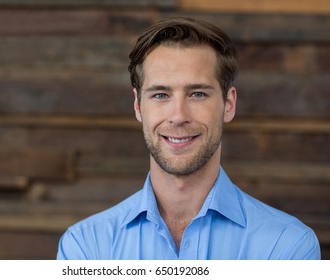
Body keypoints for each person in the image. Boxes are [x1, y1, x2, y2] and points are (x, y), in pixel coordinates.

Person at [57, 17, 320, 259]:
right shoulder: (86, 246)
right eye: (160, 95)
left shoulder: (288, 246)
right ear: (138, 106)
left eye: (197, 94)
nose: (178, 116)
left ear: (228, 104)